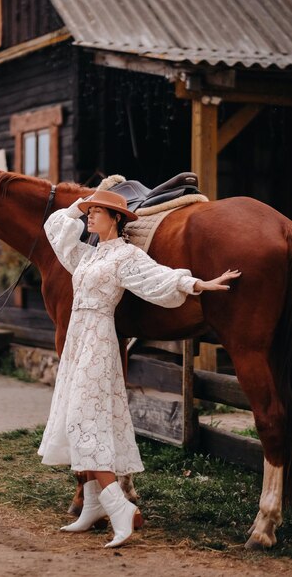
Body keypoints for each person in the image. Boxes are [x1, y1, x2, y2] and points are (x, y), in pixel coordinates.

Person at [38, 189, 241, 548]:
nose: (89, 216)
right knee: (76, 414)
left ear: (115, 218)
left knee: (85, 419)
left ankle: (120, 509)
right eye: (89, 212)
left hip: (99, 341)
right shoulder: (86, 255)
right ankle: (94, 507)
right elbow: (55, 227)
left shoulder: (124, 257)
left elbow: (158, 278)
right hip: (77, 341)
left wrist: (198, 284)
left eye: (96, 211)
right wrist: (77, 204)